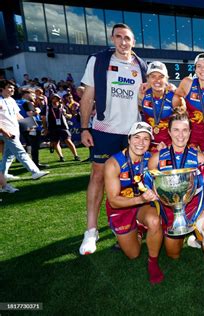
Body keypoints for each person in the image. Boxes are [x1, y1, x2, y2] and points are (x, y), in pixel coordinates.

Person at [79, 23, 148, 255]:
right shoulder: (98, 61)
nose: (123, 42)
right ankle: (91, 231)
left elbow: (142, 102)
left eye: (127, 38)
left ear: (133, 41)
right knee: (98, 176)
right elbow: (87, 97)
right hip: (105, 130)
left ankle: (134, 226)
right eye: (118, 37)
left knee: (136, 178)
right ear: (112, 38)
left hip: (132, 133)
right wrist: (83, 127)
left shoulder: (141, 66)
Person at [148, 113, 204, 297]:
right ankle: (193, 239)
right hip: (170, 214)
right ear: (169, 132)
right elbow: (149, 186)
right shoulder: (157, 159)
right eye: (176, 130)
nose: (180, 135)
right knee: (173, 255)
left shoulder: (199, 158)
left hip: (195, 210)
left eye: (184, 130)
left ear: (190, 132)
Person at [104, 122, 164, 284]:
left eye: (146, 139)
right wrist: (141, 199)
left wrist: (164, 152)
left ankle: (153, 262)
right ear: (129, 139)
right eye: (137, 137)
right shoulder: (113, 163)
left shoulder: (150, 158)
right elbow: (114, 201)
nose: (141, 142)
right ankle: (137, 231)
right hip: (122, 207)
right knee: (133, 254)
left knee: (154, 221)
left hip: (141, 206)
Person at [0, 80, 49, 181]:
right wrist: (4, 131)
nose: (12, 88)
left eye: (13, 87)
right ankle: (35, 172)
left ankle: (2, 173)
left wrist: (29, 125)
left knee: (9, 154)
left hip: (14, 130)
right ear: (2, 89)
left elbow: (18, 116)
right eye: (9, 87)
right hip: (6, 131)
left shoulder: (12, 100)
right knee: (21, 152)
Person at [139, 61, 175, 152]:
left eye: (161, 77)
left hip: (169, 145)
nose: (157, 80)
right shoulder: (142, 94)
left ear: (166, 79)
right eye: (153, 76)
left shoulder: (174, 97)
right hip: (147, 144)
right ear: (148, 79)